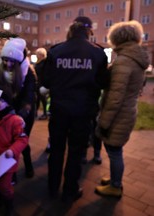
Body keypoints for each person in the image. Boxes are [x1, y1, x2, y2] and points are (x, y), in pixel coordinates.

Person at [42, 16, 109, 202]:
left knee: (56, 150)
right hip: (83, 112)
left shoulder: (56, 51)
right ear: (89, 31)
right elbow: (104, 82)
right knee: (76, 152)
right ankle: (70, 190)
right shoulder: (98, 53)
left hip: (59, 110)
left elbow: (46, 81)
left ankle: (52, 187)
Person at [94, 20, 150, 198]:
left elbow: (115, 97)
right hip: (127, 111)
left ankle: (115, 186)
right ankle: (114, 179)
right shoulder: (134, 59)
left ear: (117, 38)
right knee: (115, 150)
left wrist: (104, 122)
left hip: (118, 115)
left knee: (114, 151)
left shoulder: (124, 62)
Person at [0, 37, 37, 179]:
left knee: (21, 140)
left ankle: (28, 166)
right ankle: (11, 174)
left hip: (24, 112)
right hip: (6, 111)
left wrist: (23, 111)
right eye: (5, 59)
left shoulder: (27, 72)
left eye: (11, 61)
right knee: (7, 142)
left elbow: (29, 93)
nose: (7, 63)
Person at [0, 94, 28, 216]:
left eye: (1, 100)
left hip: (5, 159)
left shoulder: (14, 120)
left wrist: (12, 150)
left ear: (7, 103)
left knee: (4, 186)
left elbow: (22, 139)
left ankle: (9, 206)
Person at [35, 47, 49, 120]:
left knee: (42, 98)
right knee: (37, 98)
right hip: (39, 82)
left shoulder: (44, 62)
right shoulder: (39, 62)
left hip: (43, 83)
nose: (37, 55)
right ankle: (36, 112)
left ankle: (45, 113)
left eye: (38, 54)